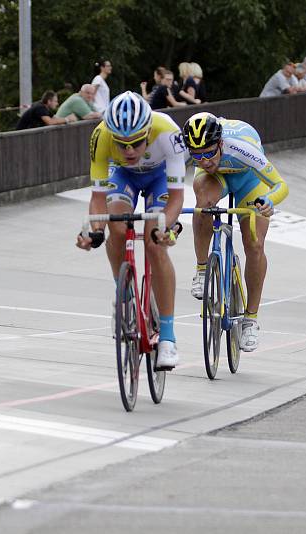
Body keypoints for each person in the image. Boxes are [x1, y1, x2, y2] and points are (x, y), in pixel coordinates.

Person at [76, 91, 186, 369]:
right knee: (115, 223)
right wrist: (95, 231)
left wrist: (165, 227)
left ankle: (168, 339)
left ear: (148, 130)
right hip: (122, 176)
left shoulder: (169, 134)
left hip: (159, 178)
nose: (129, 151)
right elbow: (98, 199)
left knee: (153, 243)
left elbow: (176, 198)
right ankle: (123, 294)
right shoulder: (100, 136)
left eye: (136, 143)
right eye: (122, 144)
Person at [184, 112, 289, 352]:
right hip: (215, 180)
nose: (205, 161)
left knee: (254, 244)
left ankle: (250, 320)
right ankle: (202, 270)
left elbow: (281, 185)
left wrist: (270, 201)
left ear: (220, 143)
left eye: (209, 153)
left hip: (248, 180)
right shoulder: (197, 155)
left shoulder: (241, 149)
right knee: (203, 202)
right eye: (197, 156)